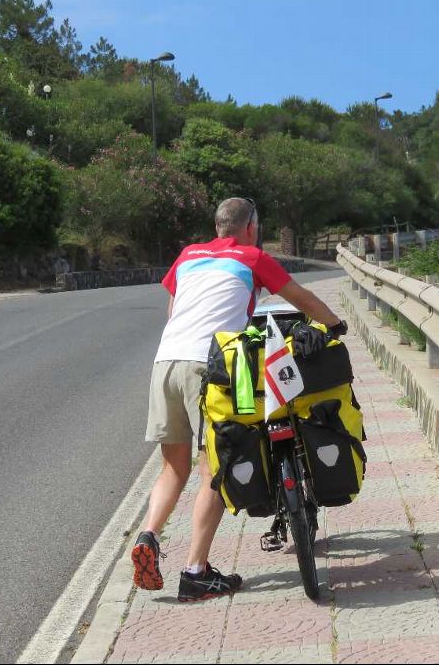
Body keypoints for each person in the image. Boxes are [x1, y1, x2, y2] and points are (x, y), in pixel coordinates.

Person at [131, 196, 347, 602]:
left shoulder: (187, 256)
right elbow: (301, 298)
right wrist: (335, 323)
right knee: (216, 466)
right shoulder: (252, 257)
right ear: (251, 226)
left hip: (166, 361)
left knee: (172, 466)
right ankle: (196, 571)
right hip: (208, 365)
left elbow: (174, 310)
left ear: (217, 228)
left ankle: (149, 534)